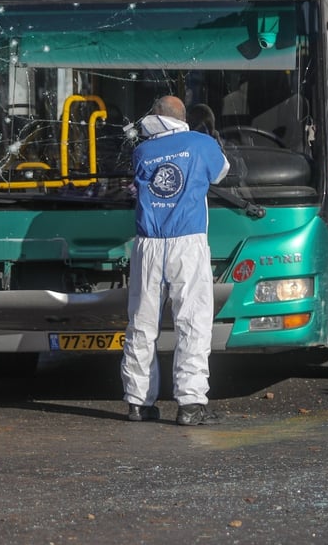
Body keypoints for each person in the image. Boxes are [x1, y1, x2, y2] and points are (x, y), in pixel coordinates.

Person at [122, 95, 230, 425]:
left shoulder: (141, 151)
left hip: (148, 245)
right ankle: (191, 405)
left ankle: (139, 402)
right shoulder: (200, 143)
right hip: (188, 242)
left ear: (155, 116)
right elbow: (222, 173)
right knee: (192, 324)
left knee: (141, 324)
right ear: (183, 118)